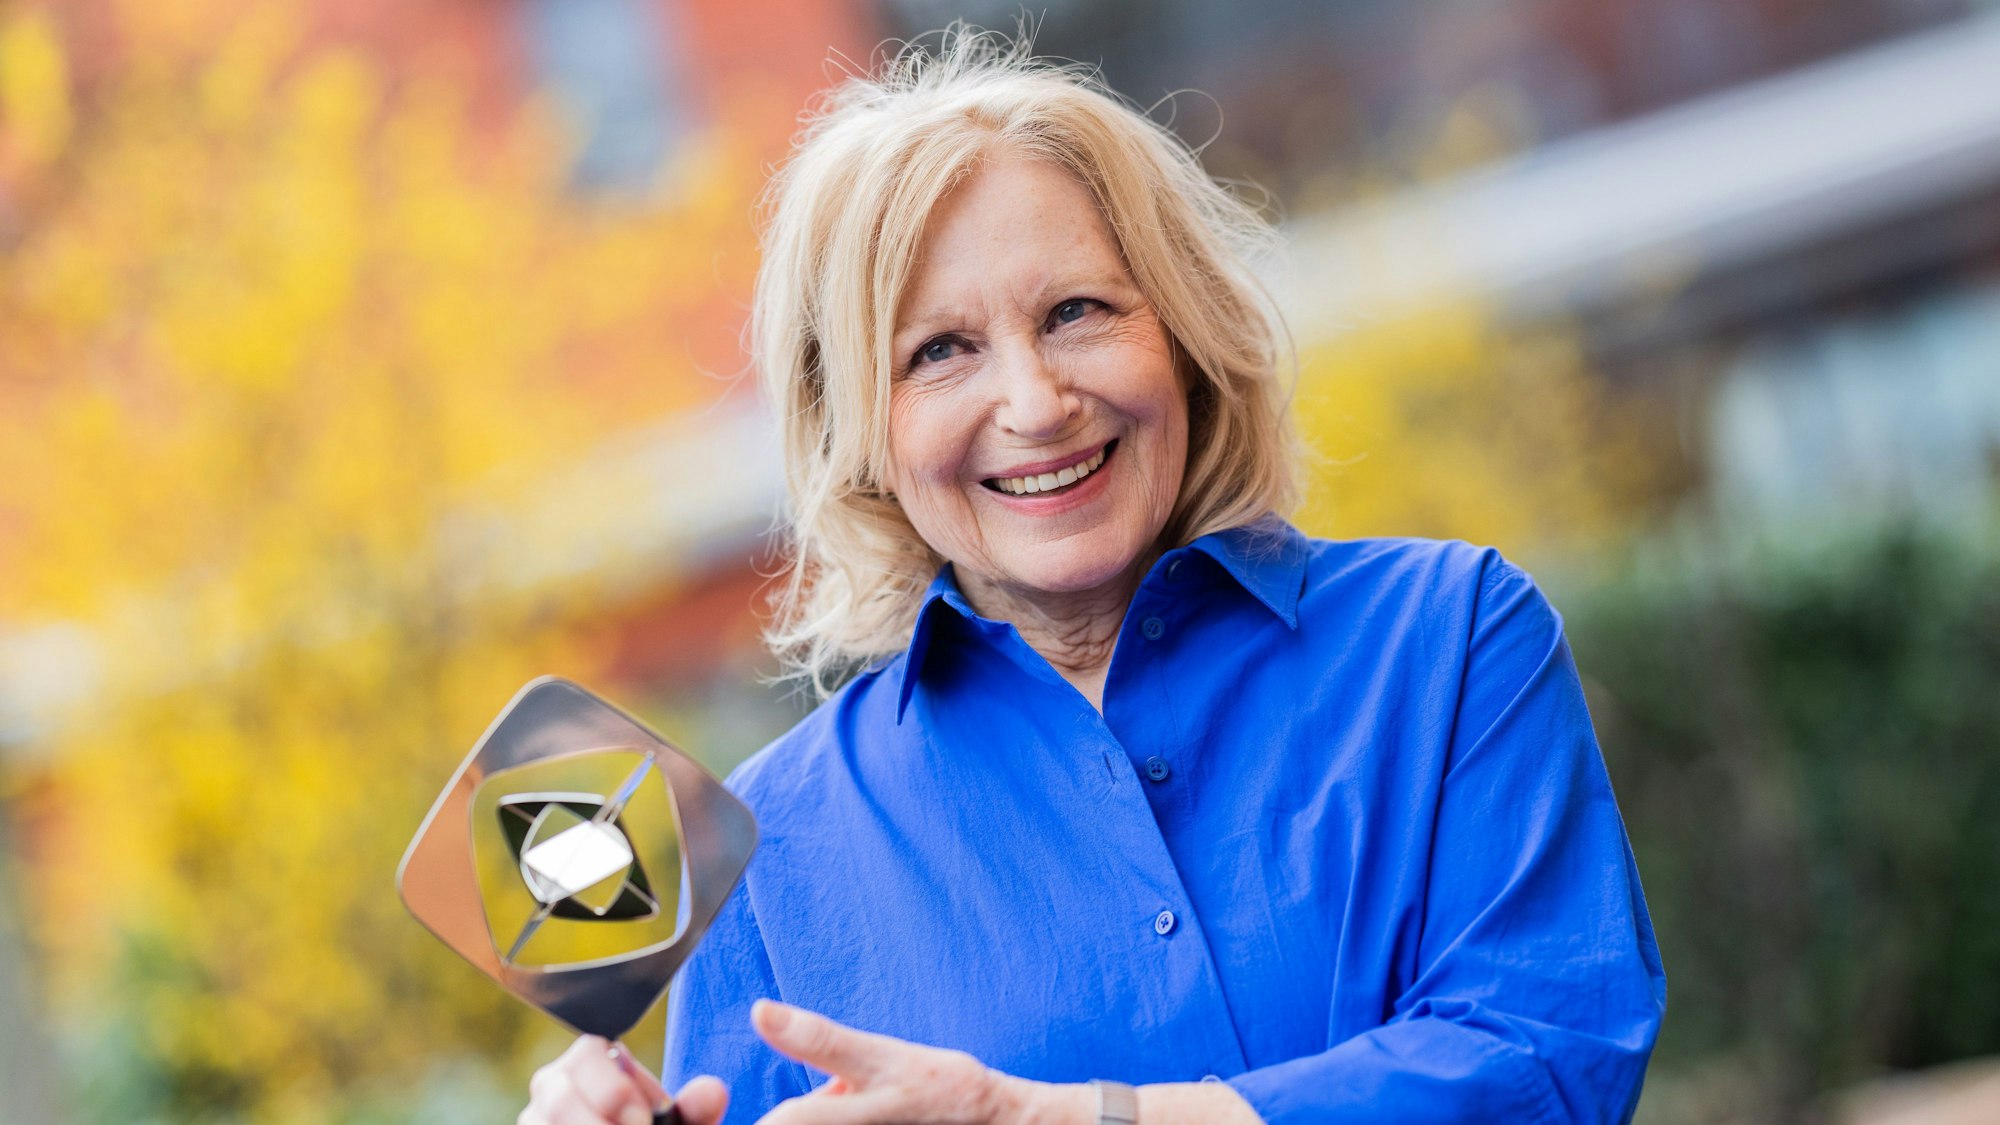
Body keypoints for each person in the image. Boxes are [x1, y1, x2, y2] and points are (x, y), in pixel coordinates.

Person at [519, 30, 1665, 1125]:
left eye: (1075, 312)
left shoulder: (1449, 640)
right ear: (857, 428)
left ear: (1179, 327)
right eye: (939, 353)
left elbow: (1543, 1064)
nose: (1032, 403)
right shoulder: (767, 851)